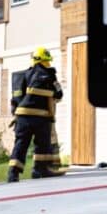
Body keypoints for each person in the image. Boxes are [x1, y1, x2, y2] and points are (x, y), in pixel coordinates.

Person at [7, 47, 64, 182]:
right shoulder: (49, 74)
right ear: (45, 61)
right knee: (42, 143)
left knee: (21, 143)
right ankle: (39, 170)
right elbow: (58, 94)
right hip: (40, 116)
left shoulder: (25, 75)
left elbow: (17, 97)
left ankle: (13, 173)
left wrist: (16, 115)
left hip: (22, 115)